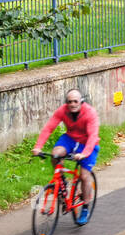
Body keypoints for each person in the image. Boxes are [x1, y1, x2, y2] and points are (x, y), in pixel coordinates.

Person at [33, 88, 100, 225]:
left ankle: (85, 207)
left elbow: (93, 136)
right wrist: (38, 147)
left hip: (88, 143)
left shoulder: (90, 113)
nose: (72, 104)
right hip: (70, 139)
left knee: (84, 176)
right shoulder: (62, 111)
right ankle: (61, 182)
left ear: (81, 102)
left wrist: (84, 154)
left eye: (75, 101)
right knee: (55, 154)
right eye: (69, 102)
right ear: (66, 103)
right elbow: (48, 128)